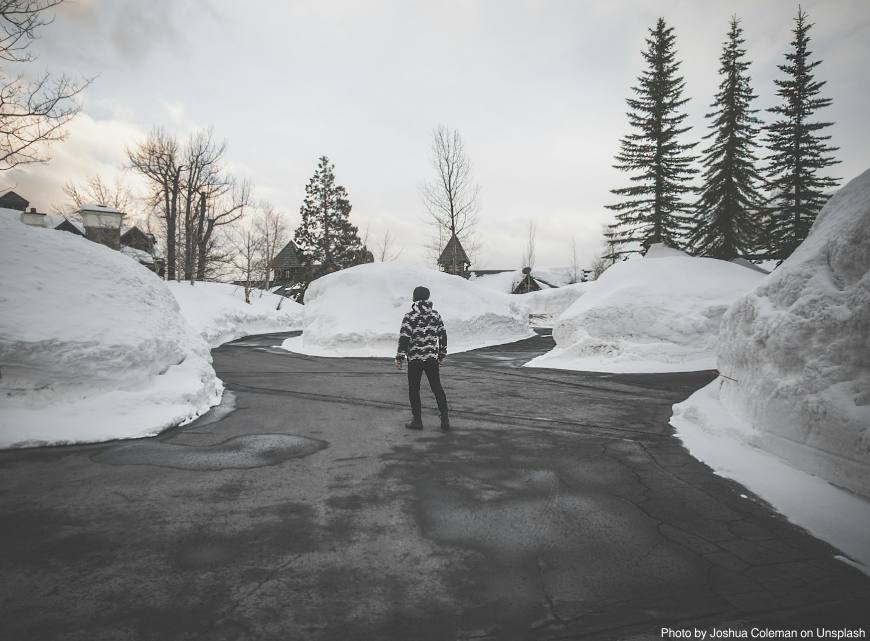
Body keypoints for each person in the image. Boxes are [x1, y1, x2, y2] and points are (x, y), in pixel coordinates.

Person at [395, 286, 450, 431]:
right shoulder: (436, 315)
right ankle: (445, 419)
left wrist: (400, 357)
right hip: (431, 358)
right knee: (437, 387)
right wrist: (441, 354)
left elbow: (405, 338)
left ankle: (417, 420)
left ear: (415, 298)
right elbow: (442, 336)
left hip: (415, 359)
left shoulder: (410, 317)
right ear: (427, 298)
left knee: (414, 390)